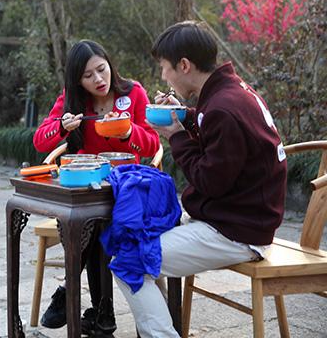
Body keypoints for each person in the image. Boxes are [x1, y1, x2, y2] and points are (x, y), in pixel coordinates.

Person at [114, 21, 287, 337]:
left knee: (129, 262)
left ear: (184, 65)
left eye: (166, 68)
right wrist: (184, 116)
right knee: (135, 236)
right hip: (241, 221)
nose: (164, 76)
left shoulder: (223, 108)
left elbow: (210, 181)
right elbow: (216, 133)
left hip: (237, 232)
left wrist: (177, 137)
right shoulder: (232, 93)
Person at [33, 40, 160, 335]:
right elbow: (40, 140)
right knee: (93, 222)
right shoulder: (72, 101)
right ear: (78, 80)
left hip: (128, 190)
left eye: (101, 70)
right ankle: (101, 316)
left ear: (109, 64)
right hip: (87, 190)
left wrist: (128, 130)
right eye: (88, 76)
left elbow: (153, 144)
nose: (98, 80)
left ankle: (71, 291)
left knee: (96, 225)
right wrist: (63, 126)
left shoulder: (133, 94)